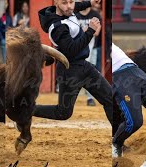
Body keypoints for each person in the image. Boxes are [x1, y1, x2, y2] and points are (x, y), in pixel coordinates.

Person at [33, 0, 114, 132]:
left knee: (110, 98)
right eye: (65, 3)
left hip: (84, 66)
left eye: (71, 1)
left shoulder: (67, 10)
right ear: (57, 3)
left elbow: (77, 6)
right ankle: (27, 110)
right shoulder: (57, 26)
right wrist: (90, 31)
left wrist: (90, 3)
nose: (70, 6)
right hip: (69, 70)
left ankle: (117, 142)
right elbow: (72, 49)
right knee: (63, 113)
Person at [76, 0, 102, 106]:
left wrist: (85, 31)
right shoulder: (76, 15)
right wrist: (89, 30)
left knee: (91, 72)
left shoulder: (95, 14)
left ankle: (90, 97)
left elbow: (97, 33)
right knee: (78, 72)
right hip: (78, 49)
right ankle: (72, 96)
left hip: (92, 48)